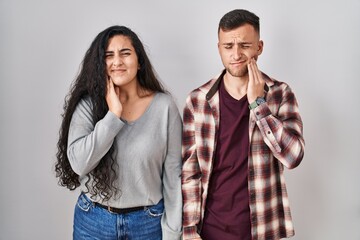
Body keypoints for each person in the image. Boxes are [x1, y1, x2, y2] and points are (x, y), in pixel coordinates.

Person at [181, 9, 305, 240]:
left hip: (261, 227)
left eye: (244, 46)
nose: (236, 54)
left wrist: (259, 105)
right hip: (209, 229)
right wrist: (189, 229)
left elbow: (294, 157)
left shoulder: (280, 94)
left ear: (259, 47)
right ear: (219, 48)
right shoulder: (197, 101)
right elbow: (190, 171)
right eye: (228, 46)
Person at [55, 25, 182, 239]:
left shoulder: (164, 106)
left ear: (139, 61)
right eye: (109, 55)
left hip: (148, 224)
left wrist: (172, 232)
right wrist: (113, 116)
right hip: (93, 222)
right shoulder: (87, 105)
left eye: (125, 53)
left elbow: (174, 175)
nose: (117, 62)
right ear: (101, 64)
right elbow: (79, 164)